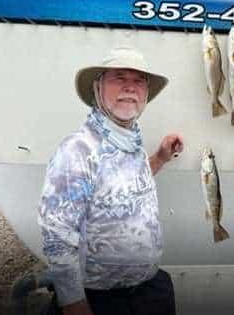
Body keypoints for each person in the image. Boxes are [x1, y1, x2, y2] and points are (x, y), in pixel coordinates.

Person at [38, 47, 184, 315]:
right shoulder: (78, 150)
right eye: (119, 78)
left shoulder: (131, 142)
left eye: (139, 81)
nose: (130, 87)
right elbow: (56, 233)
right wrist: (73, 304)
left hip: (149, 292)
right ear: (97, 88)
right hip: (101, 300)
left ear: (146, 93)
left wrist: (160, 158)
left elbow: (117, 186)